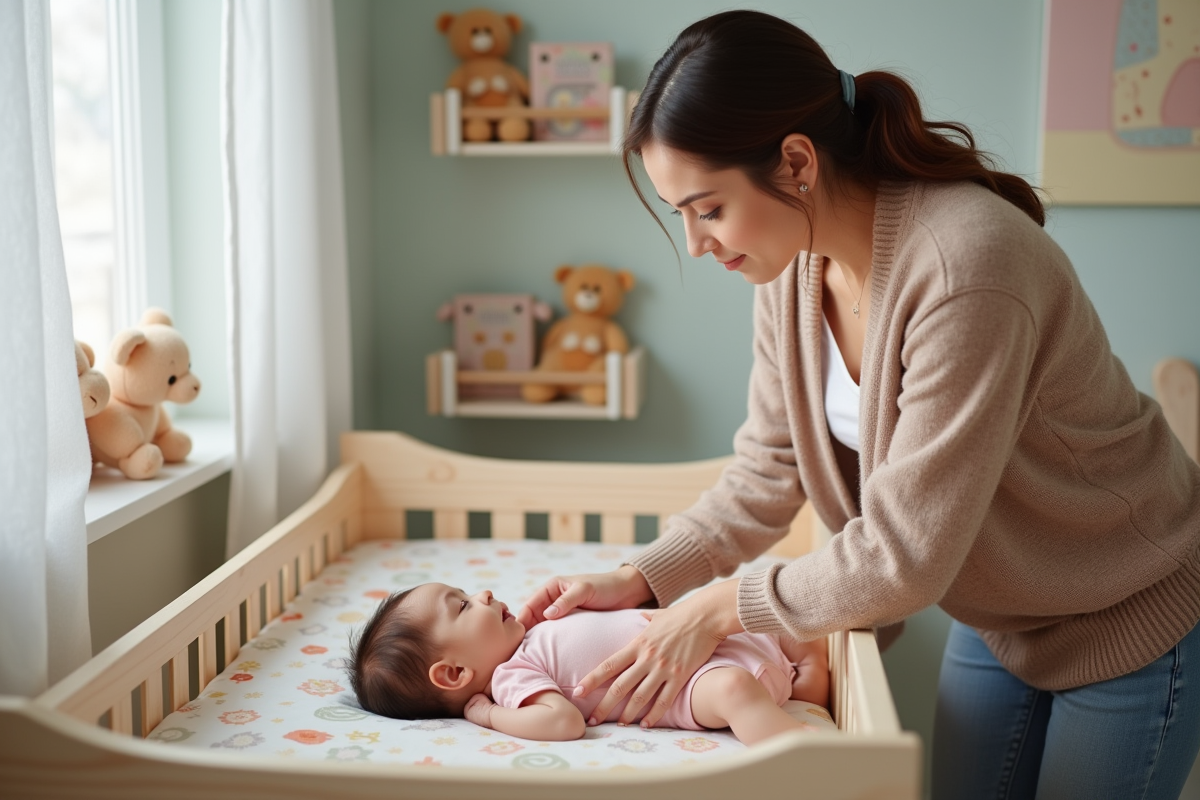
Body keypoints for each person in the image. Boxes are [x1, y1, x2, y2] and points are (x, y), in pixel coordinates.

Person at [514, 9, 1200, 799]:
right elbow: (768, 469)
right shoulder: (791, 267)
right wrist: (644, 578)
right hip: (999, 611)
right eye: (682, 216)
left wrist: (715, 610)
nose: (698, 244)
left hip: (1126, 603)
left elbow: (904, 552)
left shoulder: (966, 266)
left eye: (708, 209)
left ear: (796, 162)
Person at [345, 583, 830, 745]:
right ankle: (807, 760)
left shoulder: (531, 635)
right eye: (463, 606)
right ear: (454, 674)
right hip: (686, 686)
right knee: (735, 691)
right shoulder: (511, 680)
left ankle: (802, 680)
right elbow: (563, 722)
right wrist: (488, 715)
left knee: (763, 602)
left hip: (705, 642)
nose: (484, 593)